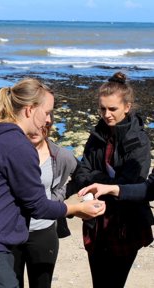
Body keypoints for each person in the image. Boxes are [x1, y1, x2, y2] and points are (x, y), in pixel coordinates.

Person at [0, 78, 105, 288]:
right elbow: (38, 205)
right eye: (46, 112)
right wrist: (77, 208)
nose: (49, 120)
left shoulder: (0, 138)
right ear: (29, 110)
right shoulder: (17, 145)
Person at [73, 72, 153, 288]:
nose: (106, 114)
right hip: (96, 220)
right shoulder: (97, 135)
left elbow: (132, 184)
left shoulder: (139, 140)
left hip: (126, 224)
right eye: (102, 109)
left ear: (127, 107)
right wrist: (103, 182)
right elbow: (81, 173)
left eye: (112, 109)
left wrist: (98, 182)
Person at [13, 119, 78, 288]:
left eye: (40, 126)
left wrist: (57, 197)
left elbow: (80, 176)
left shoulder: (60, 155)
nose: (35, 131)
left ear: (48, 127)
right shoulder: (12, 153)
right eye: (31, 127)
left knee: (42, 284)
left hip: (43, 231)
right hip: (11, 230)